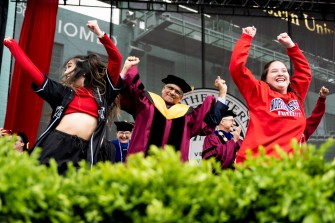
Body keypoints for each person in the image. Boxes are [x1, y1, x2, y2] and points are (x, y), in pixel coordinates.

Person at [3, 20, 122, 173]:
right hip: (56, 143)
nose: (66, 72)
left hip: (83, 151)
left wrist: (100, 34)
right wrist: (13, 45)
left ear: (83, 69)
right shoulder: (63, 93)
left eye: (70, 66)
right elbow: (32, 71)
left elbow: (116, 59)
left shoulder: (103, 93)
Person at [119, 56, 229, 162]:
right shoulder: (145, 102)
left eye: (177, 92)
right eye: (170, 88)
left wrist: (222, 92)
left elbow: (210, 122)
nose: (172, 93)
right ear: (163, 89)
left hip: (171, 173)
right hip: (141, 167)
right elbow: (128, 91)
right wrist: (126, 69)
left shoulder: (188, 116)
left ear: (181, 97)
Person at [229, 26, 312, 163]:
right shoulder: (259, 92)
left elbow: (304, 73)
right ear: (265, 79)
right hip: (256, 166)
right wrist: (246, 39)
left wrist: (291, 46)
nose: (280, 73)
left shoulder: (296, 95)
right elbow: (237, 68)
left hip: (287, 171)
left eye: (284, 70)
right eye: (274, 71)